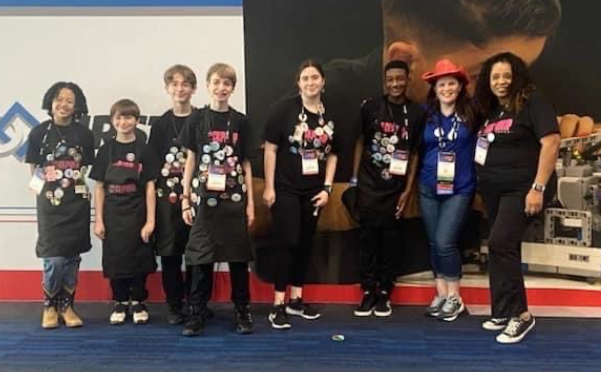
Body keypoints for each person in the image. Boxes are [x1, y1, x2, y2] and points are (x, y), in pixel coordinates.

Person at [474, 52, 560, 344]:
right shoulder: (491, 110)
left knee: (500, 243)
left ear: (517, 77)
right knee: (499, 248)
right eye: (495, 76)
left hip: (523, 189)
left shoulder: (532, 101)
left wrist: (537, 188)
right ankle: (501, 310)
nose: (500, 81)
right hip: (494, 191)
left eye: (506, 76)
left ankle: (521, 316)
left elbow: (551, 142)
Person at [179, 63, 255, 337]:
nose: (221, 88)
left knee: (237, 257)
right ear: (208, 85)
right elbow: (190, 159)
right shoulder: (197, 120)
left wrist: (250, 205)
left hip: (234, 200)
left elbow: (246, 163)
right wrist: (185, 198)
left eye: (227, 84)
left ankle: (242, 310)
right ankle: (196, 312)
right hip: (203, 200)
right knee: (200, 257)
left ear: (232, 88)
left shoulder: (242, 121)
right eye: (216, 83)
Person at [262, 60, 339, 329]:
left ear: (323, 81)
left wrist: (327, 188)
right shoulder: (283, 109)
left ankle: (296, 299)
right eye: (305, 78)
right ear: (298, 83)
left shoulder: (331, 113)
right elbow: (270, 149)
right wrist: (269, 187)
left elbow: (334, 154)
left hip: (315, 190)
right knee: (289, 242)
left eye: (315, 77)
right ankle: (278, 303)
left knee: (306, 243)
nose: (310, 82)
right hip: (285, 188)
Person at [350, 60, 425, 317]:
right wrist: (354, 180)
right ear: (385, 81)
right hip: (369, 184)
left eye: (399, 79)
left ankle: (385, 292)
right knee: (368, 239)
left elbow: (415, 153)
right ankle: (368, 291)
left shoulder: (416, 113)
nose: (395, 84)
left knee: (391, 241)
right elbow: (360, 142)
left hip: (396, 188)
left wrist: (407, 190)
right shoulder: (370, 107)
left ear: (408, 79)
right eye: (390, 79)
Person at [25, 82, 94, 329]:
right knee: (53, 259)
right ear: (50, 102)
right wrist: (42, 190)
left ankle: (67, 306)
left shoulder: (85, 134)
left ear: (77, 106)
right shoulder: (38, 133)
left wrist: (80, 190)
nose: (63, 105)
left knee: (72, 258)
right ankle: (50, 306)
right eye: (59, 99)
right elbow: (34, 169)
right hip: (50, 206)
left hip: (77, 204)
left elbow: (85, 169)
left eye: (69, 101)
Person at [418, 59, 477, 322]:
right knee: (434, 243)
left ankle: (456, 298)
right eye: (442, 84)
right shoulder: (426, 114)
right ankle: (441, 294)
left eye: (452, 83)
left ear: (460, 86)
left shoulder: (473, 113)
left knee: (445, 242)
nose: (447, 88)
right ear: (435, 88)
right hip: (428, 187)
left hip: (460, 188)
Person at [90, 99, 158, 325]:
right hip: (112, 214)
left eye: (128, 117)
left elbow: (149, 186)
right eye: (119, 117)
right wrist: (98, 220)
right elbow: (99, 186)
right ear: (112, 121)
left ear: (137, 121)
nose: (124, 122)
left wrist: (150, 221)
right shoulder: (106, 149)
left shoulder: (145, 149)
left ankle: (138, 301)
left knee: (139, 258)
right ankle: (120, 301)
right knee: (115, 259)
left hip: (137, 212)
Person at [148, 65, 197, 325]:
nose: (180, 89)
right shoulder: (160, 125)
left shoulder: (203, 118)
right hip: (167, 200)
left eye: (185, 84)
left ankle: (196, 303)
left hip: (198, 198)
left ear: (193, 89)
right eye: (175, 84)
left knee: (198, 254)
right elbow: (153, 167)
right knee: (170, 254)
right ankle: (174, 305)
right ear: (167, 88)